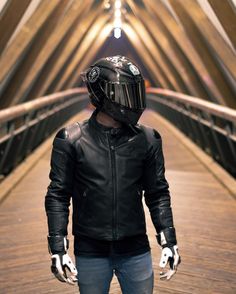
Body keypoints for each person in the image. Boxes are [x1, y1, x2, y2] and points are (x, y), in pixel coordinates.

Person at [45, 55, 180, 294]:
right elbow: (58, 195)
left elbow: (158, 192)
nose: (133, 101)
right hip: (91, 250)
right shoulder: (71, 140)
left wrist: (168, 238)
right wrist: (58, 247)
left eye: (135, 92)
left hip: (136, 248)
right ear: (104, 96)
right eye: (126, 93)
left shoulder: (148, 139)